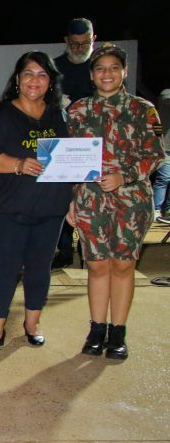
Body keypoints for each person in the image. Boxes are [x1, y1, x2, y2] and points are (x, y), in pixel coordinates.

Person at [67, 44, 165, 360]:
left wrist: (124, 176)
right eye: (100, 68)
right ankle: (97, 330)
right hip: (90, 200)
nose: (106, 74)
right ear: (91, 74)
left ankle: (118, 333)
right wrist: (70, 200)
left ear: (123, 71)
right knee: (96, 265)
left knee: (123, 265)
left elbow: (155, 155)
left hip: (131, 201)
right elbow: (67, 160)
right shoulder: (78, 110)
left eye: (113, 67)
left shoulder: (142, 109)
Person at [0, 52, 73, 354]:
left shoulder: (60, 115)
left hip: (51, 208)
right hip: (8, 208)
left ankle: (32, 323)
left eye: (42, 75)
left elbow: (74, 158)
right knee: (5, 268)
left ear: (50, 82)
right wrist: (18, 164)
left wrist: (73, 198)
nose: (35, 81)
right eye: (29, 73)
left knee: (40, 268)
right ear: (17, 79)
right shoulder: (1, 116)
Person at [52, 18, 97, 269]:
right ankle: (64, 249)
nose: (80, 48)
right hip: (63, 143)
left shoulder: (101, 65)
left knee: (91, 197)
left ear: (94, 39)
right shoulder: (55, 67)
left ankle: (88, 250)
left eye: (85, 43)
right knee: (61, 197)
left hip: (94, 143)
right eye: (75, 44)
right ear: (66, 41)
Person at [152, 89, 169, 224]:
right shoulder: (166, 94)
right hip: (166, 148)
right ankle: (156, 210)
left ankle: (168, 210)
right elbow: (165, 99)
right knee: (164, 178)